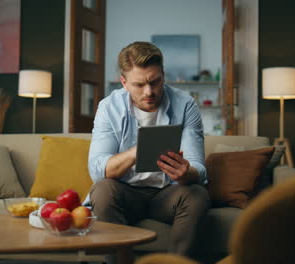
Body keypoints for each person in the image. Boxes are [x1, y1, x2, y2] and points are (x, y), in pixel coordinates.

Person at [86, 41, 210, 256]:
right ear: (124, 82)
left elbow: (199, 168)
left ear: (163, 75)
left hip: (167, 194)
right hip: (126, 193)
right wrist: (137, 151)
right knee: (103, 190)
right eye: (139, 85)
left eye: (155, 82)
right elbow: (98, 169)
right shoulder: (109, 107)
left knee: (197, 194)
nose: (149, 92)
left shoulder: (186, 104)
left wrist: (186, 172)